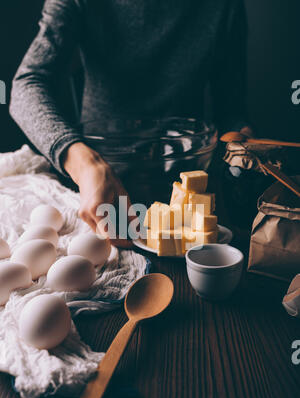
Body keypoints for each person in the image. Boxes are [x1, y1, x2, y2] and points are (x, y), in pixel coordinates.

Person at [10, 0, 251, 244]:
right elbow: (25, 86)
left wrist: (244, 138)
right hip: (100, 194)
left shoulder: (224, 6)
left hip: (183, 196)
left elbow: (230, 109)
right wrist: (85, 165)